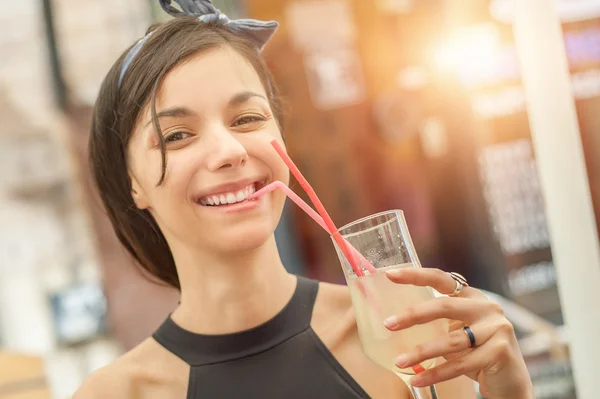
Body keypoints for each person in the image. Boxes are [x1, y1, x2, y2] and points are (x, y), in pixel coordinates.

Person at [75, 1, 534, 398]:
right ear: (131, 181)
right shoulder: (115, 394)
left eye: (247, 118)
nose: (231, 151)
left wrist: (510, 395)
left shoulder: (405, 341)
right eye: (177, 135)